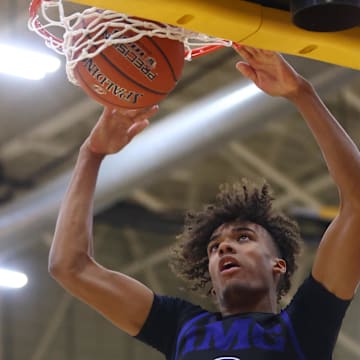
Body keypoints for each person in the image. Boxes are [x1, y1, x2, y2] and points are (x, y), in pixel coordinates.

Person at [49, 45, 360, 360]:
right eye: (214, 247)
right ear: (212, 279)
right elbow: (70, 267)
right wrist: (91, 154)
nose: (223, 248)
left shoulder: (304, 324)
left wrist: (301, 92)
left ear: (276, 265)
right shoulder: (181, 327)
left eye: (243, 237)